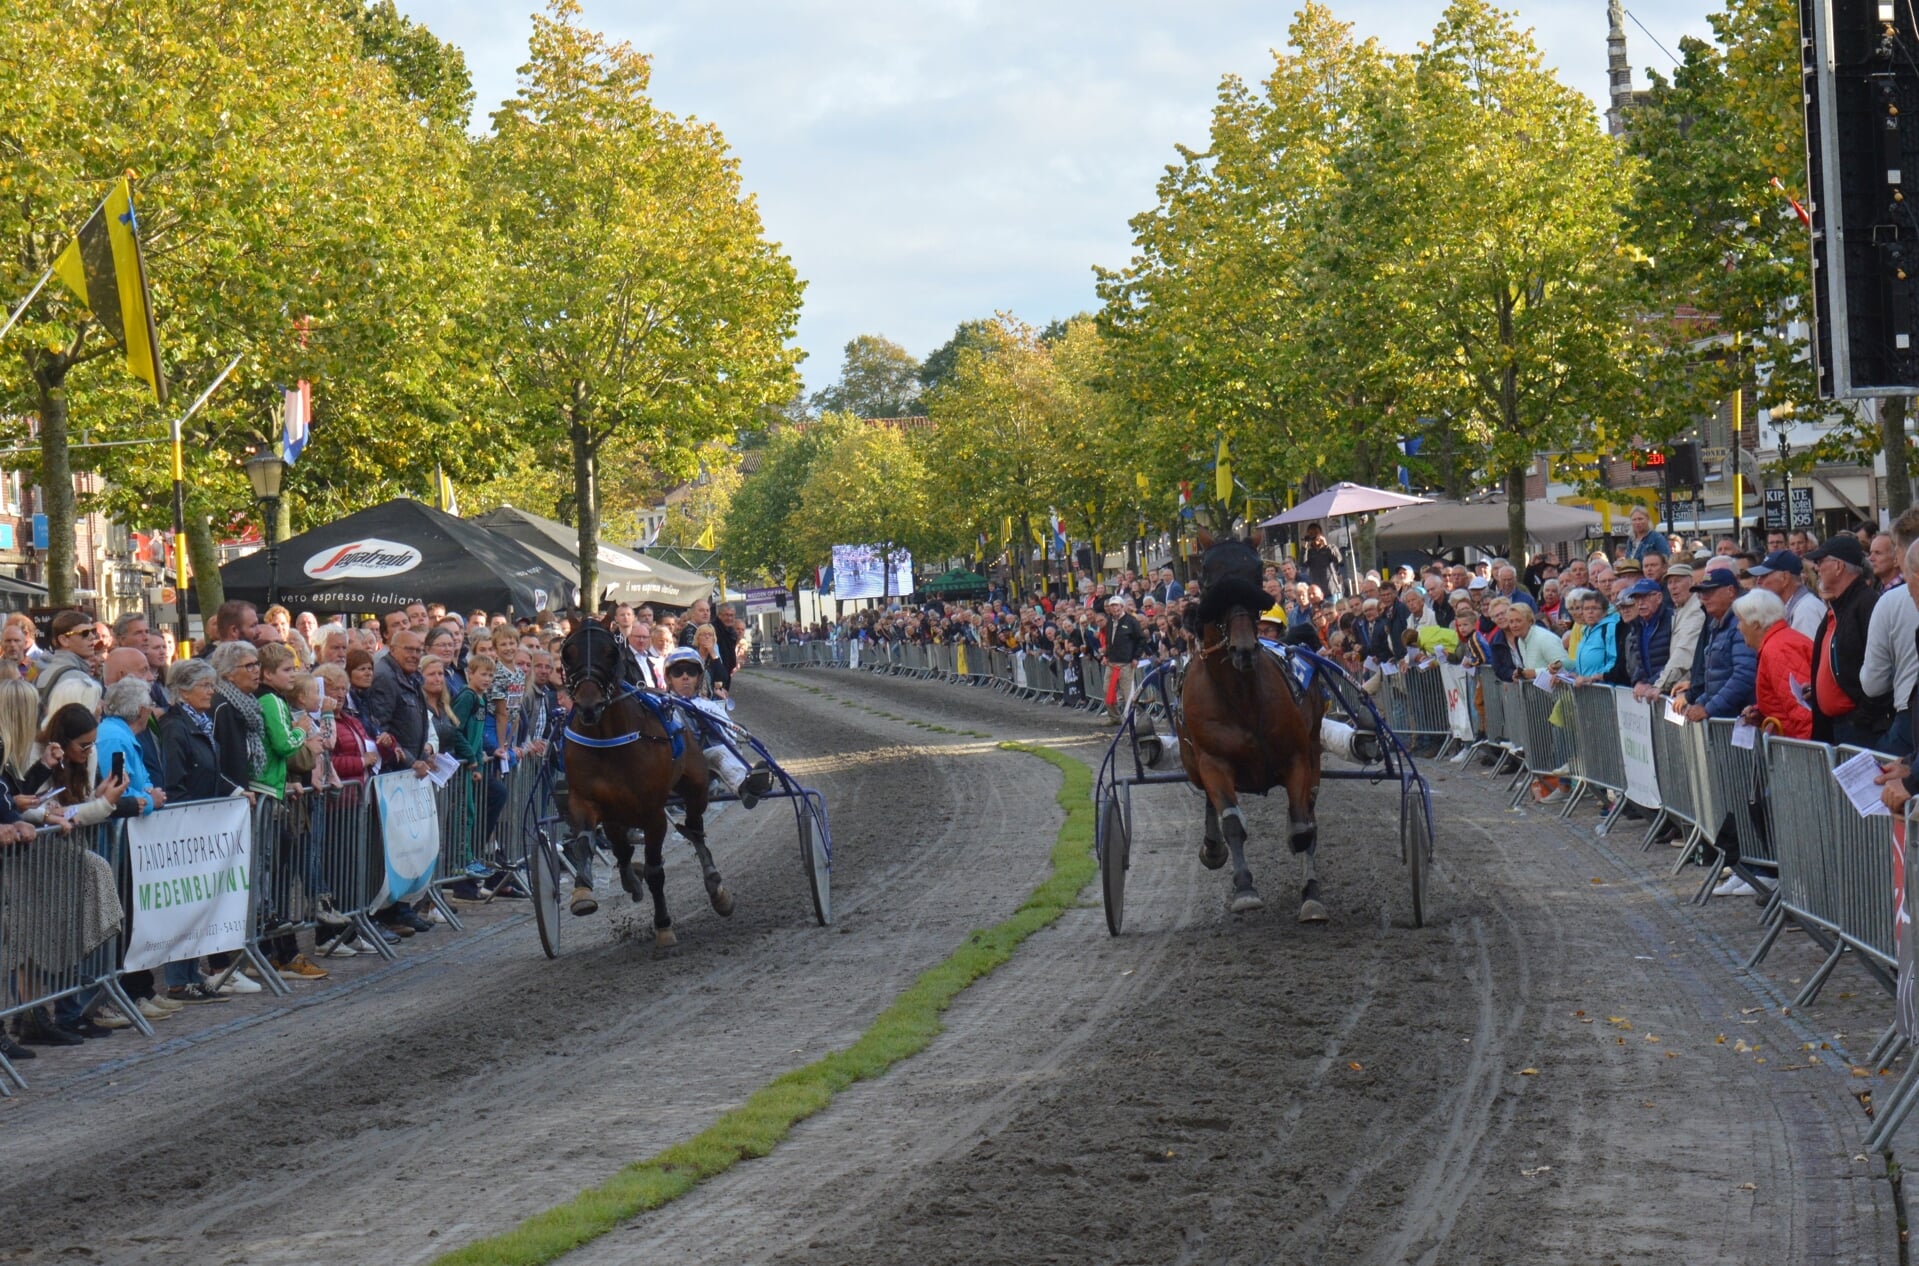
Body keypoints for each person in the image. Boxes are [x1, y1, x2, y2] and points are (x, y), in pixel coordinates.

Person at [660, 647, 773, 807]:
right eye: (678, 672)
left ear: (698, 678)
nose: (685, 676)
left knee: (722, 752)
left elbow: (731, 738)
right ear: (669, 678)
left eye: (691, 672)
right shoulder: (660, 704)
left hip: (704, 760)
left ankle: (747, 787)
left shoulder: (709, 706)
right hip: (672, 763)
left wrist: (712, 727)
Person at [1807, 534, 1890, 747]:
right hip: (1839, 727)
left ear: (1838, 566)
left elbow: (1881, 665)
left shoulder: (1866, 604)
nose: (1816, 568)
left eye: (1820, 562)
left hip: (1859, 729)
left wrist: (1862, 716)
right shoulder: (1838, 608)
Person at [1679, 568, 1757, 723]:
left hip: (1741, 719)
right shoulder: (1716, 625)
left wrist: (1708, 709)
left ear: (1730, 591)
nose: (1704, 598)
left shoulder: (1741, 623)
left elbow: (1744, 676)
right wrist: (1699, 703)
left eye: (1710, 592)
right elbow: (1715, 681)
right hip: (1726, 719)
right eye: (1701, 593)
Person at [1747, 549, 1824, 641]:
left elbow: (1809, 653)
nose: (1758, 581)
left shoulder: (1806, 610)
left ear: (1785, 578)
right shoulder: (1798, 606)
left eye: (1764, 575)